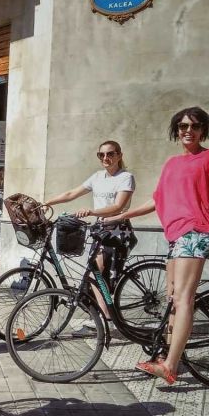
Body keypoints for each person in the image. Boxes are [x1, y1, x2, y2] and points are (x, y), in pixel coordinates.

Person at [108, 107, 209, 384]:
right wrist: (120, 215)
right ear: (176, 130)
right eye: (182, 126)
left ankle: (170, 366)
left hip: (197, 231)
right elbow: (157, 200)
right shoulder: (172, 163)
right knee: (172, 299)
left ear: (203, 130)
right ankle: (167, 356)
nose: (188, 130)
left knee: (183, 298)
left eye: (195, 126)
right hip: (176, 235)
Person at [44, 140, 135, 330]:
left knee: (100, 272)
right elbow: (71, 193)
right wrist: (47, 202)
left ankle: (105, 317)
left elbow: (118, 206)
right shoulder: (97, 177)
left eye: (110, 154)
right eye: (101, 155)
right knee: (95, 272)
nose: (106, 158)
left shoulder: (126, 177)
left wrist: (93, 212)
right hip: (101, 230)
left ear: (119, 155)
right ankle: (104, 315)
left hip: (117, 229)